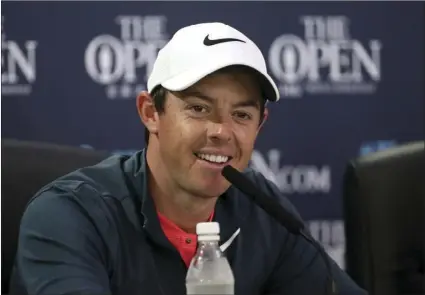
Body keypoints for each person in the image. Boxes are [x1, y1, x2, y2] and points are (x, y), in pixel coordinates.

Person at [10, 22, 368, 295]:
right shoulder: (69, 215)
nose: (222, 131)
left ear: (260, 125)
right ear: (151, 113)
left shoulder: (263, 209)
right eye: (198, 108)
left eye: (242, 115)